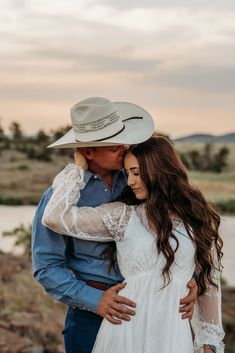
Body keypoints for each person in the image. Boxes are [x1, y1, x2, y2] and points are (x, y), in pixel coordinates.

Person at [32, 97, 198, 353]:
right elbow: (47, 267)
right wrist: (95, 300)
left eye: (123, 140)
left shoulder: (139, 180)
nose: (124, 148)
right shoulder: (59, 198)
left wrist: (188, 279)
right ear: (88, 152)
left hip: (154, 310)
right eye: (114, 146)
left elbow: (175, 231)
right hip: (93, 315)